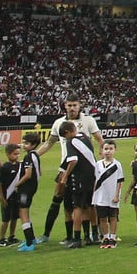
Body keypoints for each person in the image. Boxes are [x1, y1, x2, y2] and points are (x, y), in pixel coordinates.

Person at [40, 98, 102, 241]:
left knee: (85, 204)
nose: (72, 108)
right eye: (69, 105)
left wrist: (102, 154)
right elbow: (49, 143)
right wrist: (34, 155)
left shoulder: (88, 121)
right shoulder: (58, 123)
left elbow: (99, 138)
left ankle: (89, 235)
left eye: (75, 105)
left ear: (80, 105)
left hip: (82, 170)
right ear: (65, 106)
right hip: (65, 167)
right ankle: (47, 234)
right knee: (61, 200)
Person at [57, 121, 96, 250]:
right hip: (92, 176)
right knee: (88, 206)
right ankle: (90, 236)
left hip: (79, 177)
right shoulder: (85, 137)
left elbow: (73, 160)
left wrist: (66, 175)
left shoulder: (71, 141)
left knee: (77, 207)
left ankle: (77, 238)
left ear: (67, 132)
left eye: (64, 136)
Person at [91, 140, 124, 249]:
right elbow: (96, 180)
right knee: (102, 218)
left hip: (112, 196)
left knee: (113, 217)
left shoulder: (117, 165)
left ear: (114, 150)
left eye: (110, 149)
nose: (108, 151)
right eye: (106, 149)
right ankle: (105, 237)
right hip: (100, 196)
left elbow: (120, 181)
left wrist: (117, 195)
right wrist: (94, 195)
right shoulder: (98, 164)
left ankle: (113, 237)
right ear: (102, 151)